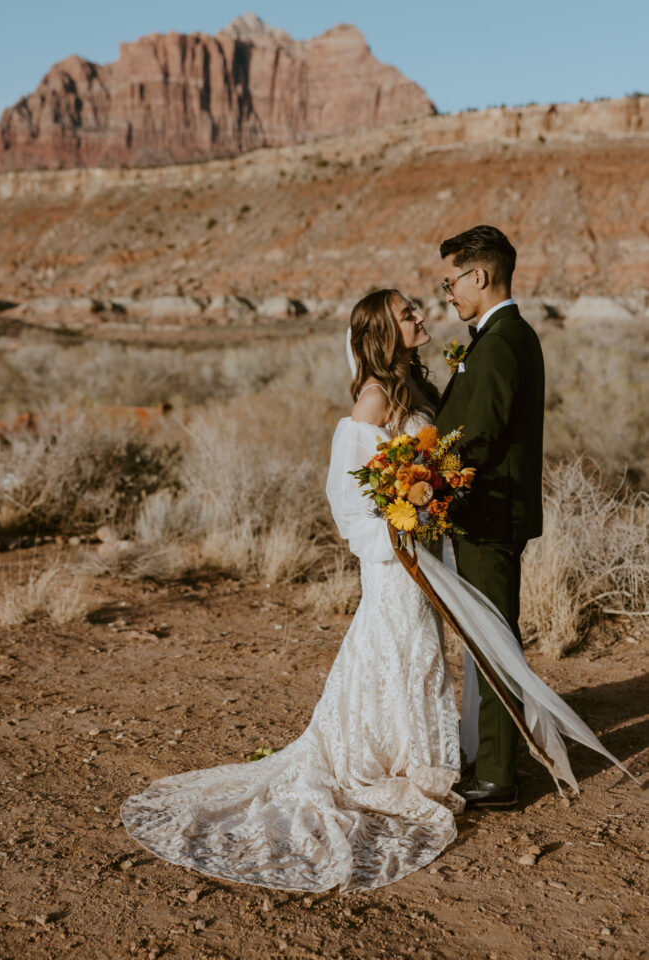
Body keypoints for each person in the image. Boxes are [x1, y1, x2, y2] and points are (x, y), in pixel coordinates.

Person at [121, 288, 629, 894]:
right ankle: (385, 759)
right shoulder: (374, 397)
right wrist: (398, 534)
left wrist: (430, 508)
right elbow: (347, 495)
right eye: (406, 314)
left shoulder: (418, 387)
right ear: (382, 333)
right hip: (396, 560)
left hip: (425, 547)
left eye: (418, 307)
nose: (419, 316)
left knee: (421, 654)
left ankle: (417, 751)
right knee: (398, 647)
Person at [435, 225, 542, 809]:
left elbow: (480, 436)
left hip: (489, 515)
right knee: (488, 636)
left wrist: (430, 479)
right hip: (492, 513)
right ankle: (493, 758)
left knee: (494, 639)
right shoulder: (503, 334)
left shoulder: (501, 341)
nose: (447, 292)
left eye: (451, 280)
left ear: (479, 275)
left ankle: (499, 776)